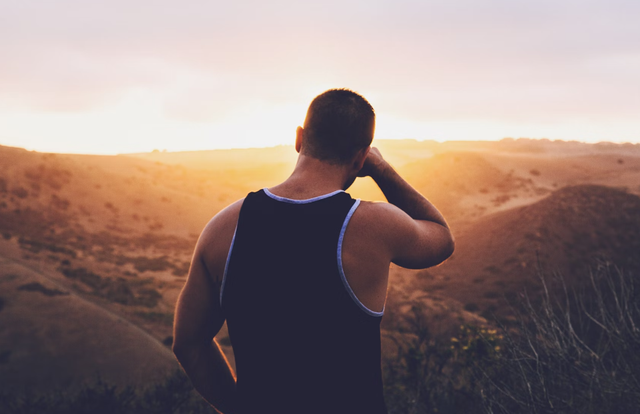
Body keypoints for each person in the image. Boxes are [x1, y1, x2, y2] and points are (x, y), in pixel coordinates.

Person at [172, 88, 455, 414]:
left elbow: (188, 342)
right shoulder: (372, 226)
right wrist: (381, 168)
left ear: (299, 138)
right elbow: (441, 237)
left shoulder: (224, 227)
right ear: (360, 157)